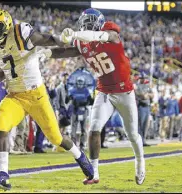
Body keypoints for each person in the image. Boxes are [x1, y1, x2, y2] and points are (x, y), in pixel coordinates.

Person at [0, 9, 93, 190]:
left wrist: (61, 40)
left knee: (56, 137)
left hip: (37, 95)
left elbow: (47, 39)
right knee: (0, 124)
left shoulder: (20, 33)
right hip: (15, 96)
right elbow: (9, 68)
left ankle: (80, 156)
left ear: (7, 26)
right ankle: (3, 176)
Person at [48, 8, 145, 185]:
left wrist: (76, 33)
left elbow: (104, 37)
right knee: (93, 130)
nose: (86, 23)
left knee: (132, 134)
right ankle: (94, 173)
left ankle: (140, 162)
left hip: (125, 92)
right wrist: (47, 53)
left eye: (90, 21)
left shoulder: (109, 33)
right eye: (84, 21)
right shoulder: (82, 43)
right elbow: (68, 51)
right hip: (104, 91)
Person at [69, 76, 93, 150]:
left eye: (81, 82)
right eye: (79, 82)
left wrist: (86, 103)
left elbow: (91, 101)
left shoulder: (86, 91)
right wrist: (73, 102)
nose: (80, 84)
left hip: (83, 110)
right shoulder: (73, 91)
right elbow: (68, 99)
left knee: (84, 128)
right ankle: (73, 145)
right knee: (73, 128)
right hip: (75, 111)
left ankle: (82, 144)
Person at [135, 72, 154, 146]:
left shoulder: (147, 86)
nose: (143, 79)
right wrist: (147, 95)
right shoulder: (137, 86)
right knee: (140, 124)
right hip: (141, 107)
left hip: (147, 107)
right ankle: (139, 141)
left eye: (143, 78)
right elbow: (142, 96)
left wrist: (148, 95)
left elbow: (152, 95)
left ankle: (143, 140)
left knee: (145, 125)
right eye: (142, 78)